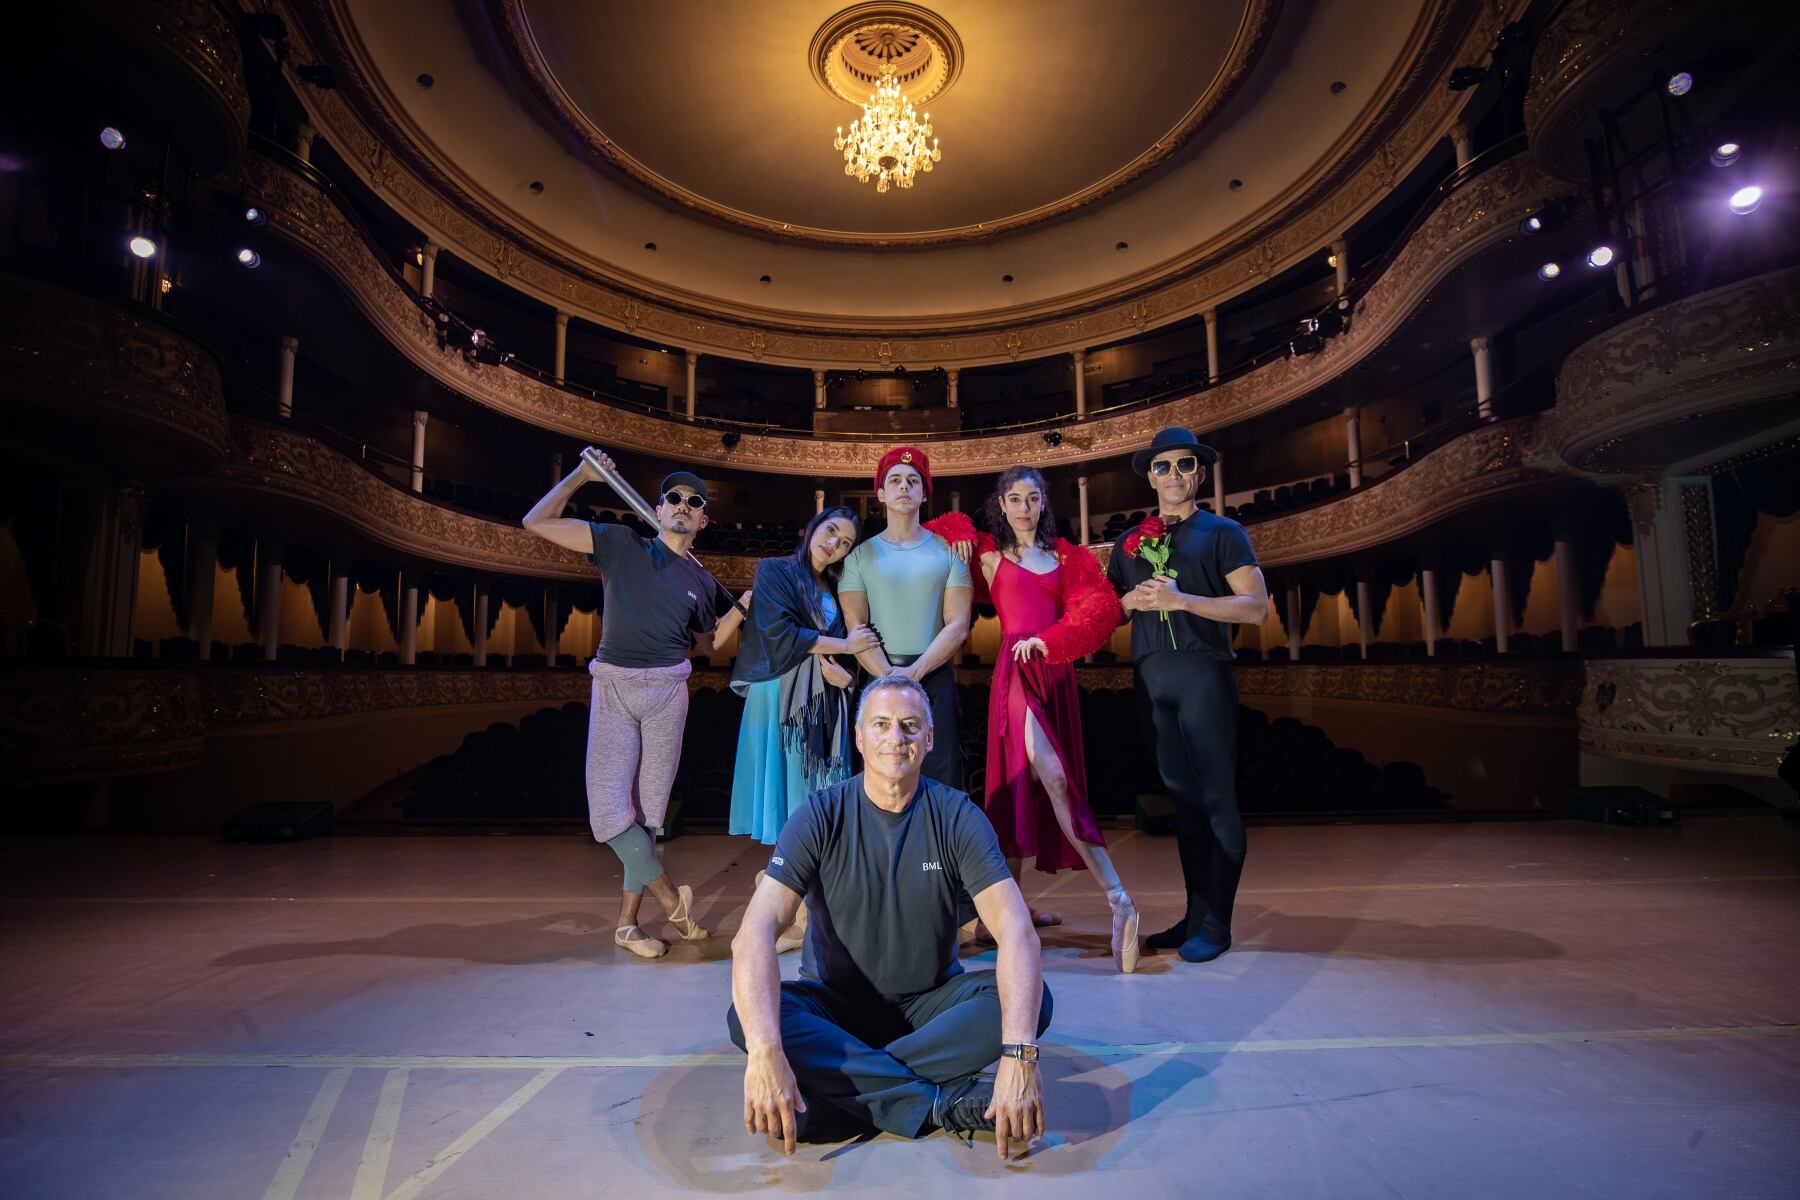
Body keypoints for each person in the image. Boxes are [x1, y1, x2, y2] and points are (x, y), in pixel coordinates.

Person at [728, 673, 1052, 1158]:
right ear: (859, 738)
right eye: (880, 724)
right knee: (749, 1019)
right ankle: (942, 1102)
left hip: (931, 1007)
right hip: (836, 1007)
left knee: (1031, 1002)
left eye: (908, 725)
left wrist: (1019, 1055)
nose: (895, 738)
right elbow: (754, 934)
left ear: (929, 737)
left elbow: (1016, 933)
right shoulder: (819, 814)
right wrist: (766, 1051)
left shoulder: (957, 816)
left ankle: (844, 1099)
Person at [930, 466, 1140, 972]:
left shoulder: (1069, 558)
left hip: (1054, 671)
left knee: (1029, 787)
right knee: (1051, 779)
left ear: (1044, 504)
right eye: (1014, 499)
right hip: (1016, 673)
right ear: (1001, 506)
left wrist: (1053, 641)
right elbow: (933, 529)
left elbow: (1098, 610)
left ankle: (1010, 914)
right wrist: (958, 532)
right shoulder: (989, 556)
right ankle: (1119, 899)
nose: (1023, 507)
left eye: (1032, 498)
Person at [521, 448, 723, 959]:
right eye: (672, 498)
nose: (682, 504)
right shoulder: (620, 543)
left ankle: (628, 926)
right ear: (658, 510)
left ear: (703, 518)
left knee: (650, 817)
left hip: (668, 694)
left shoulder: (700, 581)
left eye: (693, 501)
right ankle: (674, 906)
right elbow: (535, 521)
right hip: (613, 686)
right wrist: (581, 476)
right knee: (610, 814)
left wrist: (741, 611)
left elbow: (709, 645)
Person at [1106, 427, 1270, 964]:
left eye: (1183, 465)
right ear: (1149, 476)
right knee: (1184, 801)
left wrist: (1184, 601)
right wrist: (1126, 604)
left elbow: (1255, 607)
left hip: (1204, 674)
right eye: (1162, 466)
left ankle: (1218, 923)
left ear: (1199, 473)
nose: (1173, 475)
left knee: (1217, 797)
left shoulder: (1223, 532)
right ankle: (1195, 914)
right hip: (1151, 679)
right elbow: (1106, 617)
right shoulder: (1128, 543)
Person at [729, 507, 879, 951]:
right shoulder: (774, 570)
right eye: (830, 531)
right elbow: (779, 633)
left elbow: (835, 656)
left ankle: (793, 906)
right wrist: (846, 648)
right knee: (794, 809)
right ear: (812, 528)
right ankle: (793, 915)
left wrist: (846, 673)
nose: (834, 543)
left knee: (816, 808)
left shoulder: (834, 586)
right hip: (780, 698)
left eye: (845, 541)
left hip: (822, 701)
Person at [836, 447, 972, 791]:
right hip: (878, 676)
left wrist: (916, 672)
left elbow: (958, 625)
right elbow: (856, 627)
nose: (904, 486)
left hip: (935, 677)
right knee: (879, 778)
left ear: (924, 493)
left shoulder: (950, 549)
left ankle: (941, 846)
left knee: (941, 777)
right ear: (881, 493)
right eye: (894, 480)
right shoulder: (858, 556)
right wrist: (891, 677)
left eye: (913, 480)